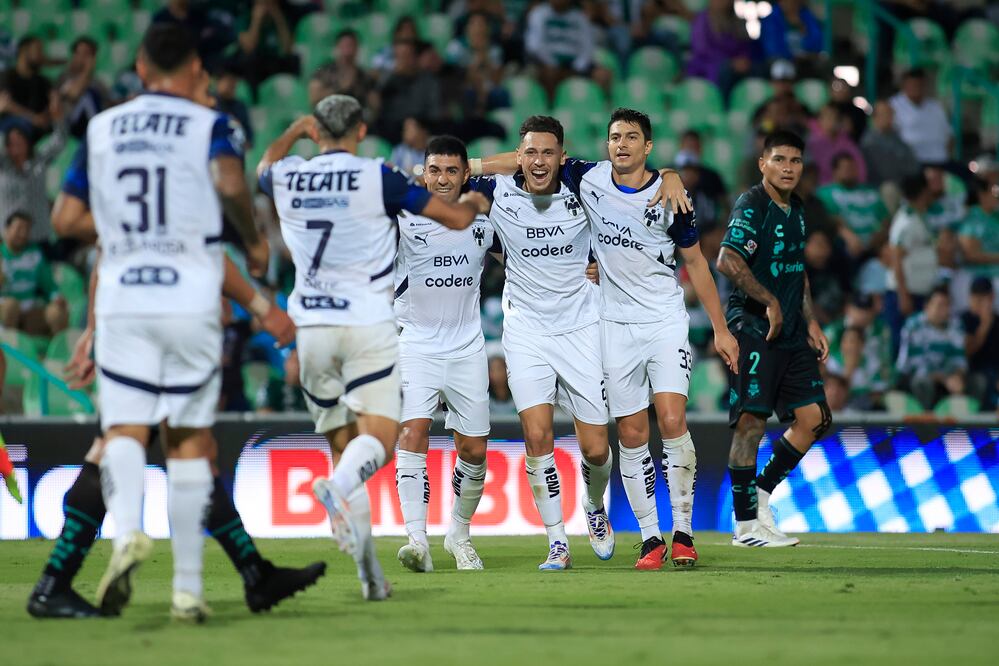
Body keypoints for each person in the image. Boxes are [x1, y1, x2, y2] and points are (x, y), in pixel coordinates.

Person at [44, 24, 270, 621]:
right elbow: (227, 183)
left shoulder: (100, 128)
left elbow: (65, 217)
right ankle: (188, 590)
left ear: (140, 68)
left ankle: (127, 535)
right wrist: (251, 240)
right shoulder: (209, 123)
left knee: (121, 429)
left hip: (122, 301)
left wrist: (126, 231)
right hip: (189, 297)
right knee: (189, 440)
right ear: (194, 66)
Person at [257, 94, 488, 599]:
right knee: (381, 440)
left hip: (310, 329)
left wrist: (295, 129)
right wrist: (470, 202)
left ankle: (370, 578)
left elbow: (262, 167)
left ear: (317, 131)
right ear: (362, 131)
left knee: (344, 450)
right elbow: (451, 218)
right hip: (366, 326)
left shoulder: (290, 174)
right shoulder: (376, 178)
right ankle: (337, 491)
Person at [26, 255, 323, 619]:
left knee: (155, 449)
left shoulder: (119, 209)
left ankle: (254, 574)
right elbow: (213, 250)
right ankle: (64, 579)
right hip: (171, 330)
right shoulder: (186, 204)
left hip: (125, 325)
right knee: (180, 450)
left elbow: (103, 256)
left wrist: (94, 329)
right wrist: (261, 304)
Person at [474, 114, 691, 570]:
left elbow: (631, 186)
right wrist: (471, 164)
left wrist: (670, 173)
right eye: (529, 152)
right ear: (518, 156)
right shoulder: (498, 192)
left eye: (547, 152)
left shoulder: (584, 186)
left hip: (584, 327)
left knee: (595, 449)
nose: (538, 161)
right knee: (537, 434)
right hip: (527, 331)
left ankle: (594, 506)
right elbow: (462, 186)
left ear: (562, 157)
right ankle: (557, 541)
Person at [568, 109, 738, 570]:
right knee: (630, 431)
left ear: (647, 147)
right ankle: (649, 539)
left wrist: (720, 328)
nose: (621, 144)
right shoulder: (589, 179)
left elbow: (698, 264)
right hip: (614, 325)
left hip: (663, 319)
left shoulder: (671, 198)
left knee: (671, 417)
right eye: (614, 137)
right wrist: (476, 168)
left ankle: (683, 533)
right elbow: (531, 159)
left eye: (632, 138)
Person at [716, 130, 831, 548]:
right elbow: (727, 259)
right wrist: (768, 301)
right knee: (752, 422)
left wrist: (812, 322)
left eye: (795, 161)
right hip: (753, 326)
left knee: (814, 419)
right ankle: (746, 527)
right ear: (762, 162)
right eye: (779, 159)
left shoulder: (797, 209)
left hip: (793, 332)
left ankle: (760, 496)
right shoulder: (753, 205)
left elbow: (795, 270)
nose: (787, 168)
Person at [393, 135, 502, 573]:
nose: (442, 179)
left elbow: (520, 258)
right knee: (412, 433)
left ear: (465, 174)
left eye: (452, 170)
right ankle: (416, 540)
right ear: (424, 172)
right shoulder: (401, 215)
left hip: (466, 347)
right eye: (434, 169)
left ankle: (458, 532)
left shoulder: (484, 218)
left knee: (474, 450)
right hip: (415, 343)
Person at [885, 172, 940, 352]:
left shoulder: (919, 216)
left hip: (918, 292)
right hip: (905, 294)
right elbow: (896, 259)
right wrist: (903, 295)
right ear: (924, 192)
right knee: (901, 345)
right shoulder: (905, 221)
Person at [0, 104, 67, 245]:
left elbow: (60, 141)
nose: (16, 146)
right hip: (7, 239)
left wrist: (58, 119)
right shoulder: (3, 167)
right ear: (7, 146)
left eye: (20, 141)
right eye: (12, 142)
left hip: (38, 236)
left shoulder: (39, 160)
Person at [896, 285, 967, 410]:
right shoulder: (913, 326)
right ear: (927, 306)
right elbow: (914, 367)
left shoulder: (956, 326)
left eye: (947, 305)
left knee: (977, 382)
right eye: (939, 305)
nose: (944, 310)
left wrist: (957, 377)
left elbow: (959, 361)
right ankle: (925, 426)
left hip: (946, 380)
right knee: (922, 383)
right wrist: (944, 379)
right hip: (914, 379)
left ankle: (964, 426)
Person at [0, 211, 68, 336]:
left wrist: (56, 297)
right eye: (19, 228)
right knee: (11, 306)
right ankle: (9, 347)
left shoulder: (35, 254)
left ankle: (57, 352)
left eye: (27, 229)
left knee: (56, 313)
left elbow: (49, 284)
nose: (23, 234)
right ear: (6, 229)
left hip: (29, 309)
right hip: (5, 309)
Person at [816, 152, 890, 258]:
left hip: (877, 243)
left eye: (853, 168)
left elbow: (886, 220)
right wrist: (849, 236)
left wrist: (880, 236)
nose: (850, 171)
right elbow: (831, 219)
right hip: (847, 244)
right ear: (835, 171)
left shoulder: (871, 192)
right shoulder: (825, 193)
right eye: (846, 168)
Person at [524, 0, 597, 102]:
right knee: (550, 75)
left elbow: (587, 47)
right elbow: (534, 46)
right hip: (546, 64)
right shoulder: (539, 14)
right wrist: (554, 64)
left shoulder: (580, 18)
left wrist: (577, 67)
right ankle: (551, 111)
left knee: (603, 75)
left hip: (574, 66)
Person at [686, 0, 754, 91]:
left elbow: (743, 47)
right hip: (707, 66)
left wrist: (743, 59)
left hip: (734, 67)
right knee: (724, 70)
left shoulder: (737, 21)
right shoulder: (702, 20)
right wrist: (730, 63)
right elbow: (701, 50)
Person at [890, 68, 952, 166]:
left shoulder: (936, 106)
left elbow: (949, 136)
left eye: (919, 85)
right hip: (912, 162)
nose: (916, 88)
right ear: (904, 85)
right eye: (913, 85)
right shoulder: (893, 106)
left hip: (940, 161)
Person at [57, 37, 109, 140]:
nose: (82, 58)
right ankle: (98, 134)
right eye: (79, 53)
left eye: (87, 54)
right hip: (70, 126)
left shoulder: (97, 82)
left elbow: (106, 104)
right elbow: (73, 94)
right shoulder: (65, 77)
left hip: (90, 126)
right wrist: (87, 71)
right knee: (88, 96)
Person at [0, 36, 52, 137]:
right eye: (38, 49)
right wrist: (33, 118)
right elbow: (6, 104)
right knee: (19, 127)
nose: (41, 55)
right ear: (24, 50)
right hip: (11, 128)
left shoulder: (43, 81)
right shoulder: (6, 76)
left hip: (37, 130)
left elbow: (49, 106)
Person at [860, 99, 919, 187]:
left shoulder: (897, 138)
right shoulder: (869, 141)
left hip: (905, 184)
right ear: (875, 117)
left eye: (890, 114)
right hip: (880, 186)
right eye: (884, 114)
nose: (889, 117)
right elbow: (884, 171)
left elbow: (913, 166)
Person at [961, 277, 999, 410]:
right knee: (985, 379)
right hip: (972, 371)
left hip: (994, 370)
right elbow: (967, 352)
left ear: (992, 297)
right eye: (976, 298)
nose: (979, 303)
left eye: (983, 298)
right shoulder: (964, 319)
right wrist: (984, 326)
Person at [806, 103, 867, 186]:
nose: (832, 121)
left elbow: (860, 168)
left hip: (848, 188)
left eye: (835, 118)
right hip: (821, 190)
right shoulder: (811, 144)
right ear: (820, 120)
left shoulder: (848, 143)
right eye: (828, 117)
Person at [958, 178, 999, 287]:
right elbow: (971, 254)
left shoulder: (996, 215)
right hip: (978, 279)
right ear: (982, 194)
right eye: (993, 191)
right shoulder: (971, 217)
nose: (996, 195)